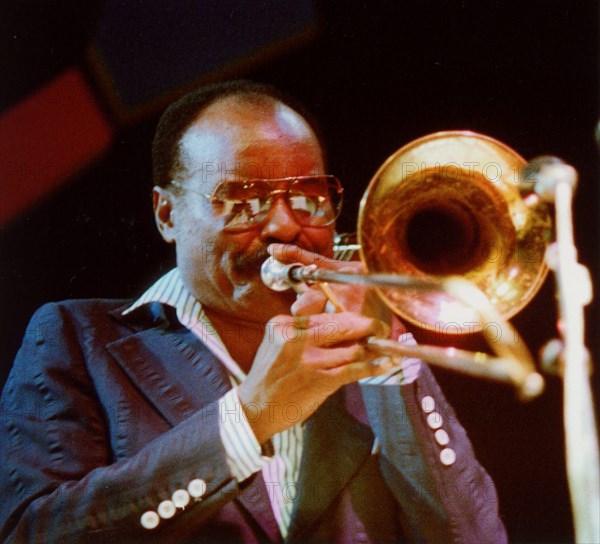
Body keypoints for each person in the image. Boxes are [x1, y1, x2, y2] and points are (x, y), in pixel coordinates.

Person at [0, 80, 507, 543]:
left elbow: (473, 537)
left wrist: (397, 366)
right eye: (243, 200)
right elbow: (32, 533)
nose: (285, 227)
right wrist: (249, 417)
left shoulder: (372, 360)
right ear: (167, 214)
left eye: (309, 197)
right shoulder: (76, 338)